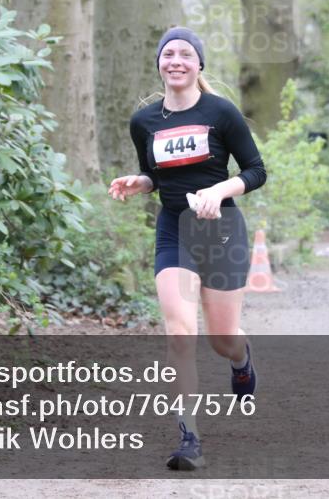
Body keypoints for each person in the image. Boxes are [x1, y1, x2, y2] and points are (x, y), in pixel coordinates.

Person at [108, 26, 266, 471]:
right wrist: (141, 182)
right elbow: (158, 172)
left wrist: (219, 191)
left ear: (199, 65)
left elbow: (255, 170)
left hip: (222, 233)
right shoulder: (145, 122)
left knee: (222, 340)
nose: (175, 60)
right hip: (175, 231)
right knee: (180, 333)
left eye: (185, 54)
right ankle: (188, 436)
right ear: (159, 64)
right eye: (168, 54)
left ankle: (242, 360)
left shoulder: (221, 112)